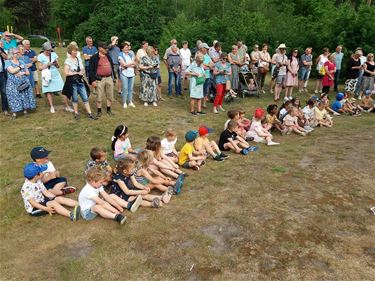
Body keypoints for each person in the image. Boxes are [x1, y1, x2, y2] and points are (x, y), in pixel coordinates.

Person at [63, 43, 96, 120]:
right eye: (74, 51)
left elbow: (82, 68)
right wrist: (76, 73)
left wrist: (82, 71)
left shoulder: (78, 59)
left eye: (76, 51)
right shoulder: (67, 60)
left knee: (85, 97)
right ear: (70, 51)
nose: (76, 52)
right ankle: (76, 113)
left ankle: (90, 114)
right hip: (72, 82)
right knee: (74, 98)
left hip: (80, 81)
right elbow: (66, 73)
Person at [37, 42, 71, 114]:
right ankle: (52, 106)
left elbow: (58, 66)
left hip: (55, 74)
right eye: (48, 50)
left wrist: (56, 64)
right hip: (46, 75)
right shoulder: (40, 56)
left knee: (62, 90)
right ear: (44, 50)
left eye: (50, 50)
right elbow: (40, 68)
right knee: (49, 91)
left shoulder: (54, 54)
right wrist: (46, 65)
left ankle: (67, 106)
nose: (49, 52)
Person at [5, 48, 36, 119]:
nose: (19, 54)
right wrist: (19, 67)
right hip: (12, 83)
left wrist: (22, 73)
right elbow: (12, 71)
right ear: (12, 54)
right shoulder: (8, 62)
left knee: (24, 96)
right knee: (13, 97)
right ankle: (14, 113)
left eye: (19, 52)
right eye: (17, 53)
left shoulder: (21, 61)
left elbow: (28, 73)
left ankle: (25, 111)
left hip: (23, 82)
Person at [89, 42, 115, 116]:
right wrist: (93, 80)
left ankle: (109, 110)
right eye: (104, 48)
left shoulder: (108, 56)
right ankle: (99, 111)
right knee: (99, 96)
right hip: (99, 79)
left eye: (106, 48)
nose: (106, 49)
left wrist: (114, 77)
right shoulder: (94, 58)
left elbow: (112, 67)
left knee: (110, 95)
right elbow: (90, 70)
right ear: (100, 48)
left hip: (109, 78)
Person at [118, 42, 136, 108]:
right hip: (124, 74)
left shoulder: (131, 55)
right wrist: (130, 64)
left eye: (127, 47)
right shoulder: (120, 55)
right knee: (125, 88)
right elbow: (123, 64)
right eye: (125, 47)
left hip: (132, 73)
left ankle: (130, 102)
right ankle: (124, 102)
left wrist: (128, 65)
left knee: (130, 88)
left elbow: (135, 64)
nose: (127, 48)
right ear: (122, 49)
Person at [196, 43, 213, 108]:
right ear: (202, 48)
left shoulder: (207, 56)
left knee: (206, 90)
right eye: (206, 48)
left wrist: (207, 65)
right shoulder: (198, 55)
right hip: (201, 76)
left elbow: (212, 64)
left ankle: (204, 104)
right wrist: (208, 65)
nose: (207, 49)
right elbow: (201, 66)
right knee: (200, 89)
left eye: (207, 48)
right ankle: (198, 104)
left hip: (207, 75)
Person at [0, 41, 8, 115]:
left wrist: (1, 52)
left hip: (2, 73)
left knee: (4, 92)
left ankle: (5, 109)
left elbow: (6, 57)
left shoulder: (1, 49)